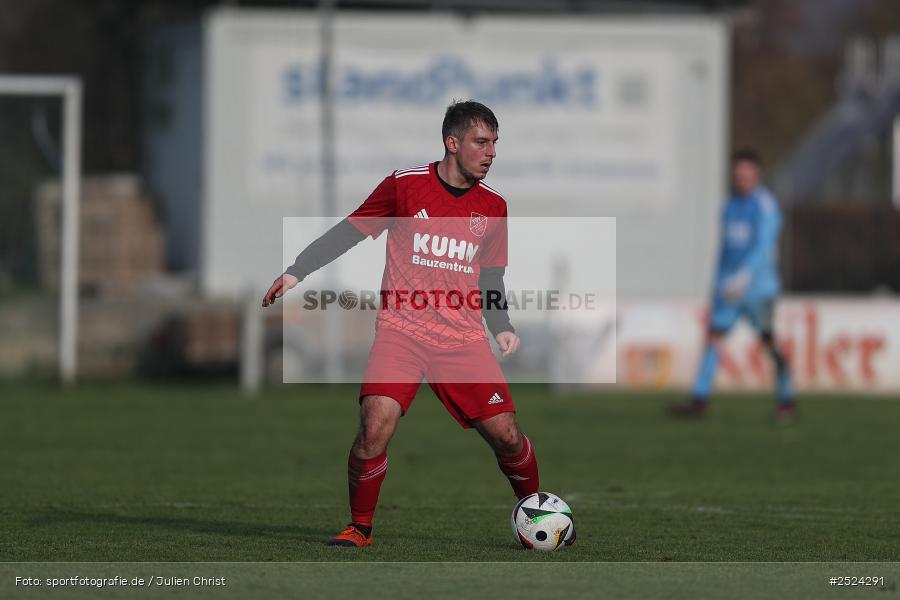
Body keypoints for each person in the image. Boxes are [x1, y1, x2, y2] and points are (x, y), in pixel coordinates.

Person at [262, 100, 540, 547]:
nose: (491, 153)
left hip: (462, 339)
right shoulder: (405, 186)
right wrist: (297, 272)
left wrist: (501, 325)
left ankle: (537, 512)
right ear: (453, 143)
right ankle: (360, 527)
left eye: (494, 143)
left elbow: (491, 276)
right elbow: (349, 231)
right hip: (401, 333)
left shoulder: (493, 205)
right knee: (374, 427)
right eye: (481, 142)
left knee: (507, 436)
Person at [669, 149, 795, 419]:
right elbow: (726, 249)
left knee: (768, 341)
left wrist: (744, 276)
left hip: (757, 289)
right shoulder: (729, 205)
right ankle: (699, 398)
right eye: (738, 176)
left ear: (757, 176)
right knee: (713, 337)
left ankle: (786, 397)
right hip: (728, 289)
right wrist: (719, 282)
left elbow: (763, 246)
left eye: (747, 176)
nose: (742, 181)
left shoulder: (765, 206)